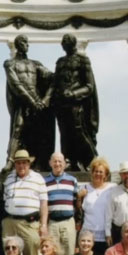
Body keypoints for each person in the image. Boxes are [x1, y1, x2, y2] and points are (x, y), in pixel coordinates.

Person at [3, 34, 55, 173]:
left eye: (27, 42)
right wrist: (32, 101)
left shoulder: (35, 63)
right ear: (18, 44)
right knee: (18, 129)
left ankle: (40, 162)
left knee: (40, 133)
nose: (28, 45)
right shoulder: (10, 63)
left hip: (38, 103)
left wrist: (46, 99)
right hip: (22, 102)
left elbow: (52, 78)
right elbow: (16, 84)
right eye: (25, 42)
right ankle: (10, 161)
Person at [51, 33, 99, 171]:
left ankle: (91, 160)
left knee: (80, 133)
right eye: (63, 42)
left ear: (73, 44)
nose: (64, 44)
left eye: (67, 42)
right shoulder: (60, 62)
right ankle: (70, 161)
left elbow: (89, 86)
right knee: (65, 134)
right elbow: (54, 83)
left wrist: (73, 93)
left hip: (78, 105)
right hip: (61, 105)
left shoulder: (83, 60)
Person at [2, 149, 49, 255]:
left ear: (29, 163)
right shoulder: (9, 178)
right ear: (14, 165)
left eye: (24, 162)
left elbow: (44, 204)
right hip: (10, 222)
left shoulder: (38, 178)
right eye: (18, 163)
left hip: (29, 224)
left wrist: (43, 225)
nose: (21, 165)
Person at [78, 157, 116, 255]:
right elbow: (79, 209)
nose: (98, 174)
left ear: (106, 174)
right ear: (92, 173)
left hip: (105, 233)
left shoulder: (112, 188)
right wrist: (79, 197)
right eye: (95, 171)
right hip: (88, 233)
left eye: (101, 172)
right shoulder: (84, 187)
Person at [45, 152, 79, 255]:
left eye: (60, 161)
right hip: (52, 223)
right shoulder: (44, 181)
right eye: (54, 161)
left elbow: (77, 202)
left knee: (69, 254)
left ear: (64, 164)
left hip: (68, 222)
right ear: (50, 163)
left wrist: (78, 220)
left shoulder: (72, 180)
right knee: (52, 254)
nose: (57, 164)